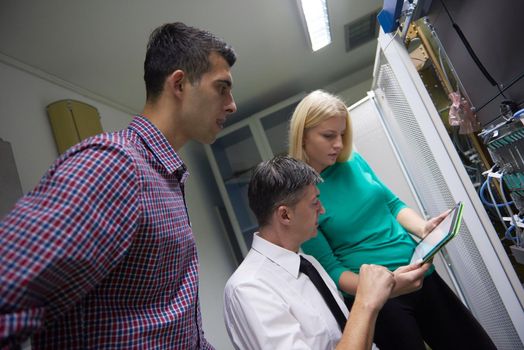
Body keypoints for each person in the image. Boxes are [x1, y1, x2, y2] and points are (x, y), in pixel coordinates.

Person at [0, 22, 237, 349]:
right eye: (222, 88)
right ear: (180, 84)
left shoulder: (166, 178)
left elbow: (171, 324)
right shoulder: (115, 163)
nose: (231, 104)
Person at [288, 89, 497, 350]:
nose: (339, 144)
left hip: (420, 273)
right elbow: (331, 269)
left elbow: (392, 204)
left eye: (342, 134)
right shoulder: (300, 196)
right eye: (329, 136)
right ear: (303, 136)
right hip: (381, 301)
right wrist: (385, 287)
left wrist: (424, 228)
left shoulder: (353, 162)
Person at [224, 155, 396, 350]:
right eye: (315, 202)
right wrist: (365, 303)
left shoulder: (308, 263)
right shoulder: (249, 289)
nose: (322, 210)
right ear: (285, 215)